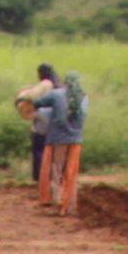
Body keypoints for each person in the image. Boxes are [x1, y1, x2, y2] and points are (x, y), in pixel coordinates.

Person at [31, 72, 89, 215]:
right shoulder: (84, 97)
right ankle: (69, 204)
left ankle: (56, 202)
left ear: (65, 82)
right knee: (71, 172)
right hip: (76, 139)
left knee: (56, 171)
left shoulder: (56, 94)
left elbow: (37, 103)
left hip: (57, 139)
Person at [16, 63, 60, 183]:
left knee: (39, 148)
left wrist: (22, 95)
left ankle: (41, 177)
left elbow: (31, 95)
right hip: (54, 120)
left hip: (42, 118)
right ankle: (53, 177)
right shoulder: (59, 85)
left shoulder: (46, 83)